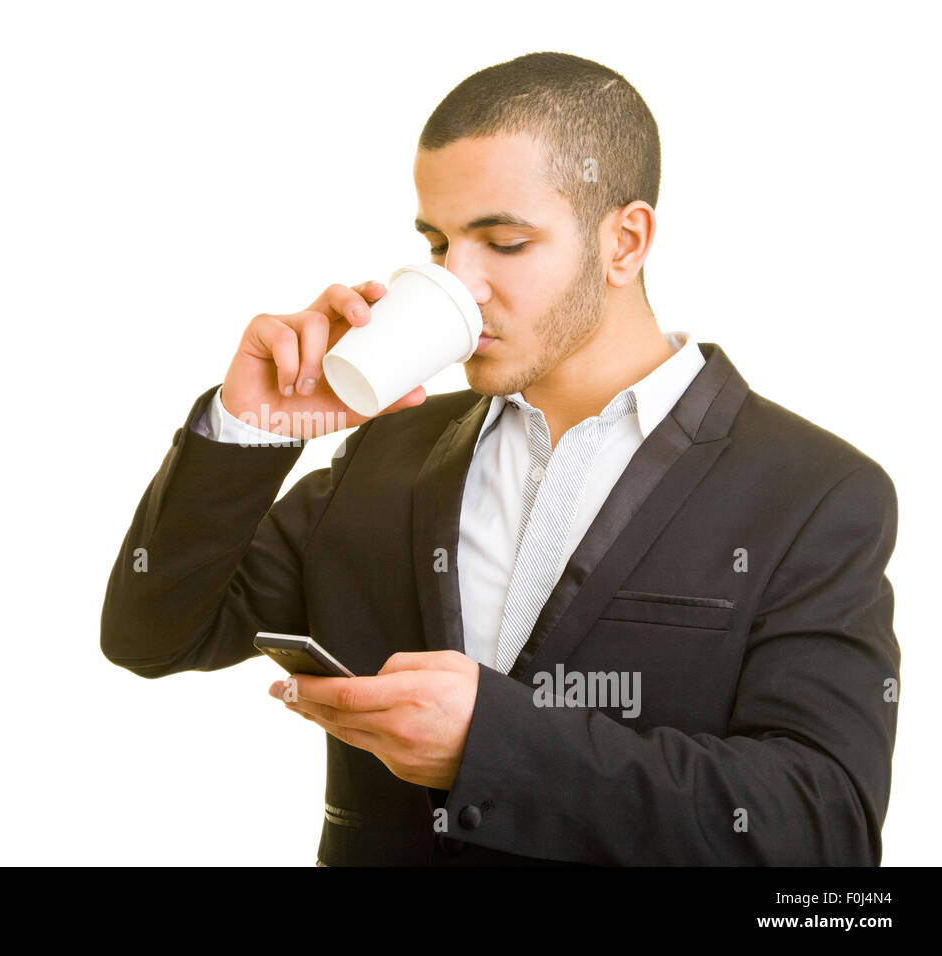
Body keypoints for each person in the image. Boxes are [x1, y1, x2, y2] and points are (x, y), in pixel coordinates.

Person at [99, 52, 900, 866]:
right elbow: (154, 635)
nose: (459, 284)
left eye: (505, 242)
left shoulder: (815, 492)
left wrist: (497, 744)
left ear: (626, 241)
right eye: (437, 243)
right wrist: (254, 422)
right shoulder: (388, 452)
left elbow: (822, 827)